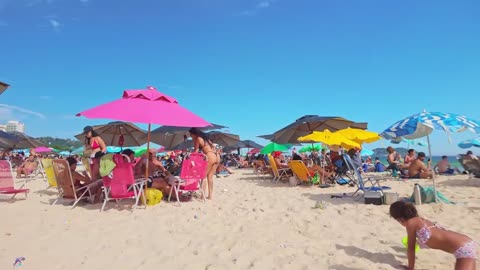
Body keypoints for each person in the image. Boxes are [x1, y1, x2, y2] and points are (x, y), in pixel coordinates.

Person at [389, 201, 477, 270]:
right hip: (465, 243)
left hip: (462, 248)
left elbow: (411, 249)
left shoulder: (411, 223)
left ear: (400, 219)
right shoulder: (421, 220)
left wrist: (410, 268)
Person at [189, 127, 219, 200]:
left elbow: (195, 151)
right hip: (217, 156)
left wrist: (190, 158)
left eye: (191, 134)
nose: (190, 136)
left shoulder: (198, 139)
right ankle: (210, 196)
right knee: (210, 177)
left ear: (194, 134)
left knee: (203, 176)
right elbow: (214, 148)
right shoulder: (206, 139)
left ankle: (202, 196)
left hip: (210, 155)